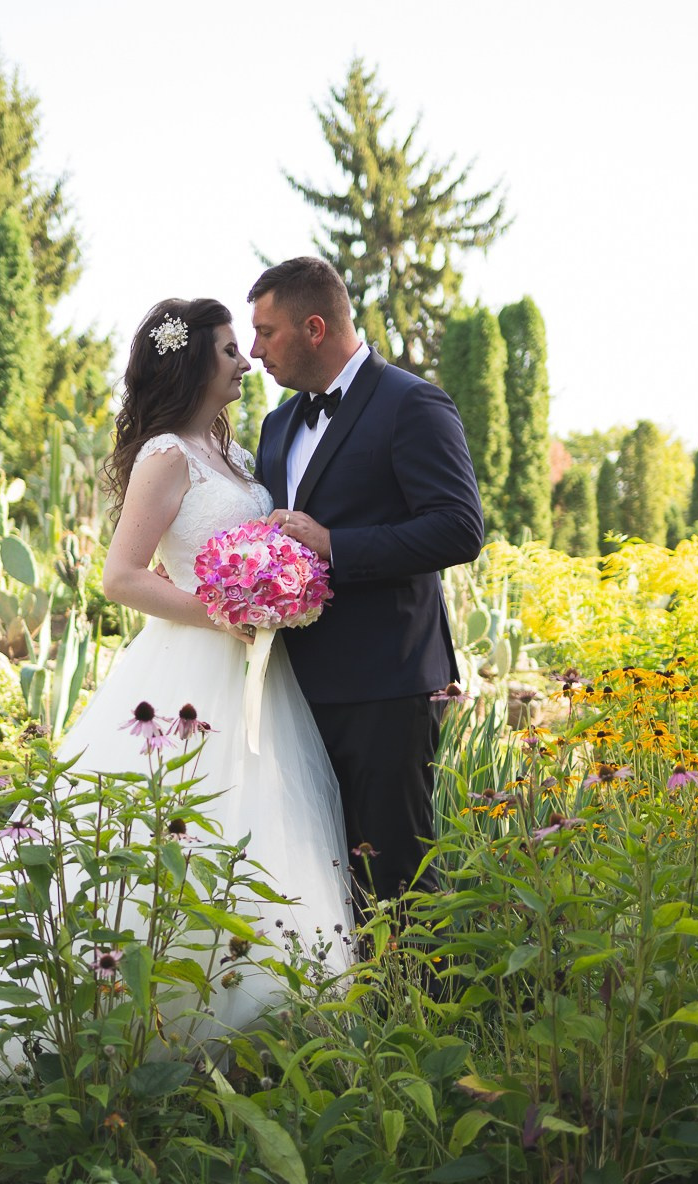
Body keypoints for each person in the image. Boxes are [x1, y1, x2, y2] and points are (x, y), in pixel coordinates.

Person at [0, 297, 355, 1072]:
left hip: (254, 672)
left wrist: (280, 579)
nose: (246, 362)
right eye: (231, 349)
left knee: (255, 822)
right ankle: (135, 1013)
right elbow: (121, 577)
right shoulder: (167, 455)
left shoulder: (232, 453)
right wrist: (222, 609)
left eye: (247, 347)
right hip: (187, 669)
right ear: (194, 361)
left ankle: (261, 1014)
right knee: (171, 829)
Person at [249, 256, 485, 913]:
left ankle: (424, 1013)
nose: (254, 349)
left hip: (388, 687)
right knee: (318, 876)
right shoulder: (276, 426)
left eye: (266, 332)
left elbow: (460, 529)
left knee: (398, 880)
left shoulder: (413, 404)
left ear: (314, 327)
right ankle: (349, 1015)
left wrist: (337, 545)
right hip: (294, 690)